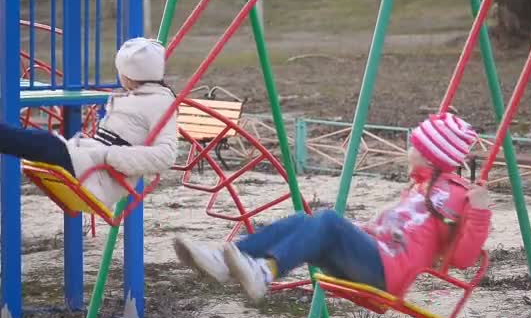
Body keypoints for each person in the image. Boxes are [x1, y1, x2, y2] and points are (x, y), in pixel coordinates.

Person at [174, 113, 491, 302]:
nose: (408, 151)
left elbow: (461, 259)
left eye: (414, 146)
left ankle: (264, 272)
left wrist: (479, 212)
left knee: (326, 221)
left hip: (386, 273)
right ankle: (225, 259)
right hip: (371, 260)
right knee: (304, 221)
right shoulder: (419, 187)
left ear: (430, 155)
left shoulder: (457, 195)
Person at [0, 37, 177, 209]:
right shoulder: (139, 96)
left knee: (46, 144)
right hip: (91, 163)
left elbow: (166, 155)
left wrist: (110, 155)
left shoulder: (160, 103)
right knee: (45, 144)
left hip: (100, 178)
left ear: (129, 75)